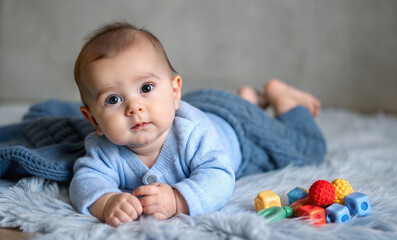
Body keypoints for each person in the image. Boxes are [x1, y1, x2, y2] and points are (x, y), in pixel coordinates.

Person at [69, 22, 326, 227]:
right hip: (206, 106)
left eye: (146, 88)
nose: (134, 107)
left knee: (304, 147)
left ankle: (281, 97)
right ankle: (250, 98)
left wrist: (177, 200)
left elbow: (219, 176)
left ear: (174, 91)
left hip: (239, 129)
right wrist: (107, 202)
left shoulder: (192, 133)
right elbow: (85, 181)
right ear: (93, 120)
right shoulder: (103, 149)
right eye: (113, 99)